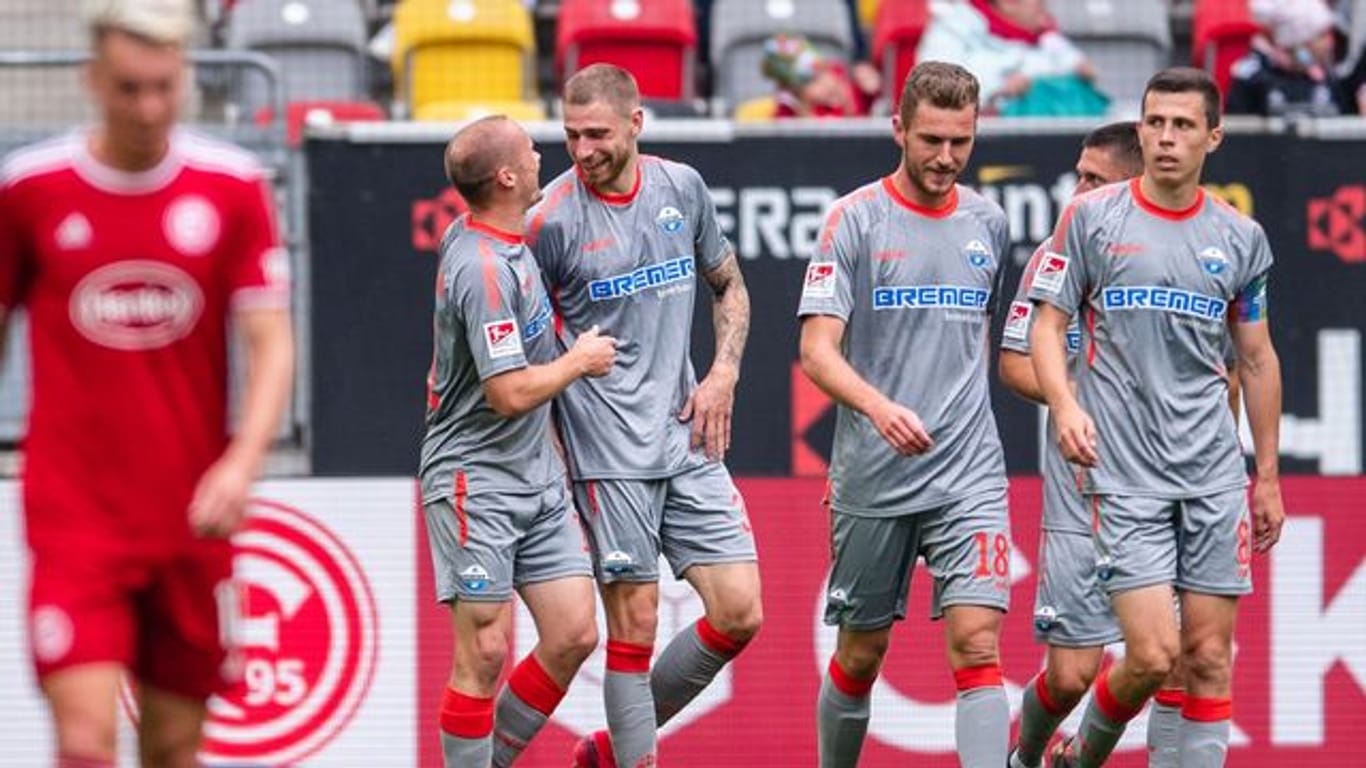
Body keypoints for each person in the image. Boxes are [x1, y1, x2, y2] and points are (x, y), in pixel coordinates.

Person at [0, 0, 294, 764]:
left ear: (185, 79)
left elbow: (271, 343)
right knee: (85, 742)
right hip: (75, 518)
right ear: (94, 79)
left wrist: (242, 464)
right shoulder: (30, 190)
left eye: (164, 86)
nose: (148, 107)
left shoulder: (231, 187)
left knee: (171, 748)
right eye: (130, 88)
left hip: (189, 519)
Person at [1028, 67, 1285, 768]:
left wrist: (1265, 476)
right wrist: (1067, 403)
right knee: (1150, 654)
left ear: (1214, 137)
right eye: (1155, 123)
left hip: (1210, 476)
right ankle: (1079, 755)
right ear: (1141, 129)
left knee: (1206, 660)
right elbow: (1047, 328)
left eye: (1182, 125)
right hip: (1126, 477)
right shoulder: (1092, 218)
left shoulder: (1240, 240)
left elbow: (1256, 360)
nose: (1166, 138)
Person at [527, 64, 763, 768]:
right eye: (570, 134)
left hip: (687, 435)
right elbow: (521, 353)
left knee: (739, 611)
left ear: (636, 123)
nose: (581, 149)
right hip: (605, 454)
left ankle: (610, 749)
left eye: (596, 133)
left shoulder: (681, 188)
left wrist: (723, 372)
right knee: (635, 625)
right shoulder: (549, 219)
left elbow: (729, 285)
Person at [1000, 122, 1239, 768]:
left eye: (1092, 179)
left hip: (1174, 490)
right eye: (1076, 175)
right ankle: (1024, 755)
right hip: (1083, 494)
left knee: (1178, 662)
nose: (1076, 191)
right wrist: (1077, 399)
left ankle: (1079, 757)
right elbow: (1016, 363)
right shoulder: (1059, 253)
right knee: (1072, 675)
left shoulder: (1201, 251)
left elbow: (1232, 370)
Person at [798, 60, 1013, 768]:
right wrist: (878, 406)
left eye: (960, 141)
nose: (946, 157)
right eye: (930, 140)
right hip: (876, 474)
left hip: (969, 474)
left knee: (979, 646)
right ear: (898, 129)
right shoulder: (853, 221)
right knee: (861, 653)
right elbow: (817, 351)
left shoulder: (989, 224)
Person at [420, 114, 619, 768]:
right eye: (530, 151)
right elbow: (506, 394)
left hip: (535, 476)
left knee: (573, 633)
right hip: (476, 479)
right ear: (506, 176)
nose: (542, 156)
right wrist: (579, 361)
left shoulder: (498, 233)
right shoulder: (483, 269)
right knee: (481, 651)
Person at [916, 0, 1106, 116]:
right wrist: (999, 88)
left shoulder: (1046, 35)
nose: (1045, 11)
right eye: (1039, 2)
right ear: (1009, 2)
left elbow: (1081, 66)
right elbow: (934, 87)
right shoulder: (953, 27)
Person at [1227, 0, 1366, 117]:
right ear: (1299, 42)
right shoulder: (1253, 77)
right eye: (1321, 35)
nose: (1329, 42)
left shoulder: (1328, 78)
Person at [760, 33, 880, 118]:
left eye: (824, 73)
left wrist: (870, 85)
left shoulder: (851, 89)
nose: (826, 84)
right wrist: (803, 114)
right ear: (795, 93)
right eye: (813, 81)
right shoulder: (789, 111)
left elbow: (872, 99)